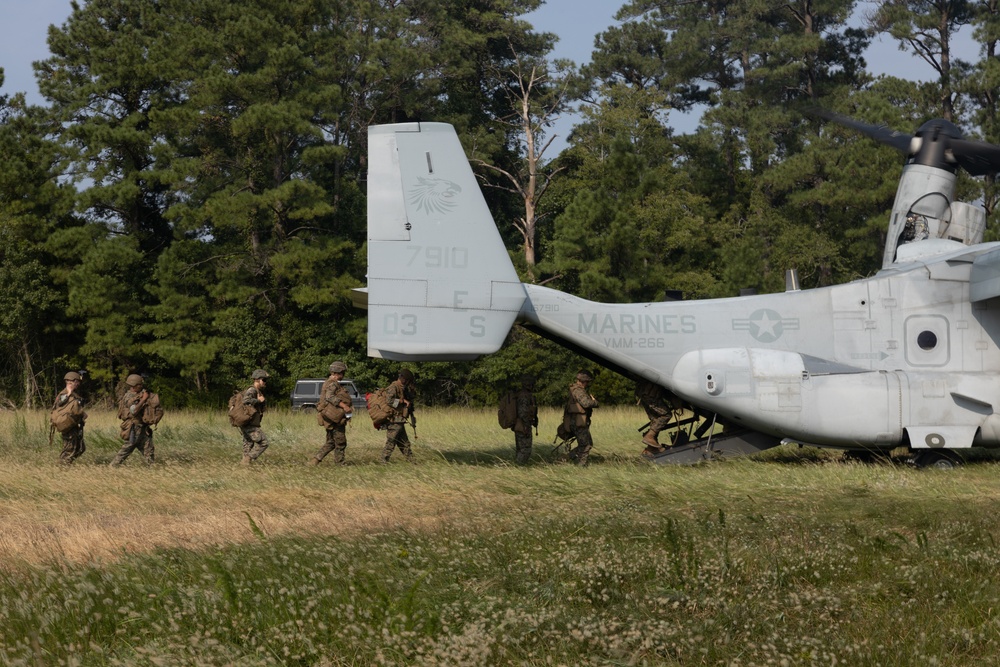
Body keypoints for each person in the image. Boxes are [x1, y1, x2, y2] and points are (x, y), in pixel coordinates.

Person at [310, 361, 354, 466]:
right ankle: (340, 463)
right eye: (342, 373)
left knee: (331, 442)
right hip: (334, 418)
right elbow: (329, 397)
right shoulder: (333, 384)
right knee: (340, 442)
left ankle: (315, 460)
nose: (342, 376)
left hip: (329, 417)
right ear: (337, 372)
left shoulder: (328, 382)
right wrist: (344, 406)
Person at [111, 374, 155, 466]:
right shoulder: (129, 397)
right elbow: (134, 410)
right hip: (134, 427)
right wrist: (144, 399)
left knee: (148, 447)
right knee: (127, 448)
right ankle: (113, 466)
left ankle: (152, 467)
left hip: (142, 427)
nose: (141, 386)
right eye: (139, 385)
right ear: (134, 385)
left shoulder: (139, 395)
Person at [564, 370, 599, 465]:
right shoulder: (578, 391)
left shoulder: (574, 389)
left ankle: (568, 457)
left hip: (576, 421)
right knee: (585, 445)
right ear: (583, 381)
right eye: (587, 382)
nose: (587, 384)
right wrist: (595, 402)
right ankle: (581, 466)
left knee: (588, 443)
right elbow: (586, 403)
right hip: (578, 422)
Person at [381, 368, 416, 463]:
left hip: (399, 420)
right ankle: (383, 461)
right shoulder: (394, 387)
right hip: (394, 420)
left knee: (404, 443)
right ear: (403, 378)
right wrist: (402, 401)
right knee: (391, 442)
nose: (408, 383)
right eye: (408, 381)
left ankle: (412, 461)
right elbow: (389, 401)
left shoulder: (401, 388)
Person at [52, 371, 87, 465]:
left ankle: (67, 463)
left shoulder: (74, 395)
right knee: (68, 449)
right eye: (77, 382)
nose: (78, 384)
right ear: (72, 381)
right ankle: (61, 466)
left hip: (74, 425)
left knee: (80, 448)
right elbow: (60, 403)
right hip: (68, 426)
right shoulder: (64, 394)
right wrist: (69, 392)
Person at [635, 379, 675, 458]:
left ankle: (651, 448)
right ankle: (650, 436)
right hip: (650, 394)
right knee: (666, 415)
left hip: (642, 393)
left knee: (656, 419)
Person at [240, 369, 270, 465]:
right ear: (257, 379)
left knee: (248, 444)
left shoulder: (256, 391)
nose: (265, 382)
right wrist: (259, 401)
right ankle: (248, 459)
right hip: (249, 423)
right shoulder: (252, 390)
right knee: (264, 442)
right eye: (264, 380)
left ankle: (244, 465)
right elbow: (245, 401)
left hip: (248, 423)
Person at [513, 374, 538, 465]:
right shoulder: (524, 396)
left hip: (521, 424)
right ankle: (519, 466)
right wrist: (526, 426)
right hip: (523, 425)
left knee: (521, 448)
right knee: (525, 449)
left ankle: (518, 465)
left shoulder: (523, 394)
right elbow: (523, 413)